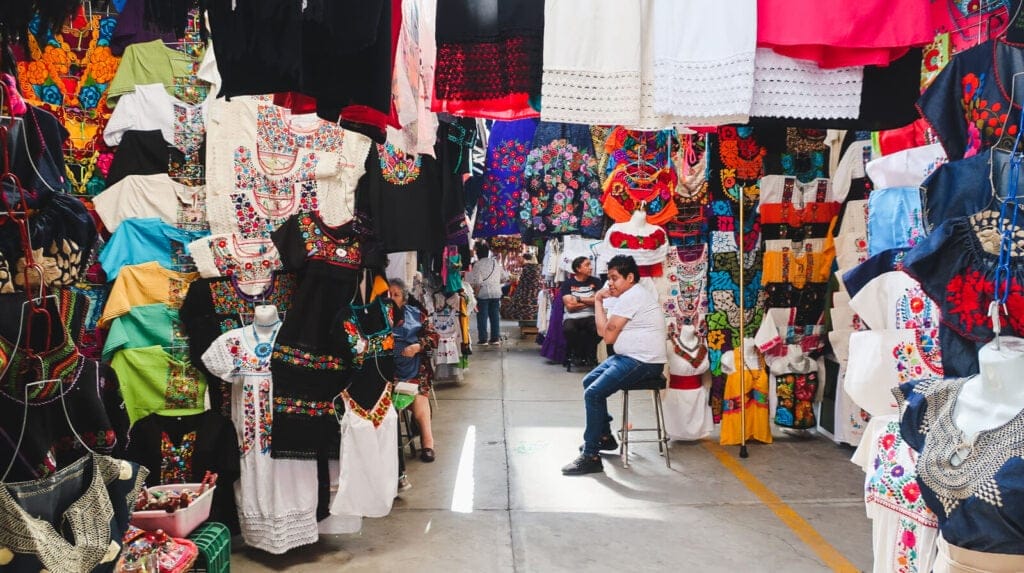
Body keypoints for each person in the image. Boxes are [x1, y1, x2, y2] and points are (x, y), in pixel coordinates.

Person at [562, 255, 667, 475]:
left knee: (593, 393)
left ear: (630, 278)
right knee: (589, 381)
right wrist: (600, 301)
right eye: (609, 278)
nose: (610, 283)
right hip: (628, 356)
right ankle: (604, 436)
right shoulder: (624, 295)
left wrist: (598, 302)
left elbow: (606, 336)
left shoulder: (633, 296)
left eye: (615, 278)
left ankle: (591, 456)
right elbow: (605, 330)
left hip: (643, 361)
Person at [389, 278, 440, 463]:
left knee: (419, 401)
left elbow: (434, 336)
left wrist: (417, 346)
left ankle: (428, 443)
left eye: (396, 295)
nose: (391, 298)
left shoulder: (417, 315)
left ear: (404, 298)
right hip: (388, 373)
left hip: (415, 371)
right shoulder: (377, 317)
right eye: (388, 295)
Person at [561, 256, 603, 367]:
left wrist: (578, 299)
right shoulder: (568, 284)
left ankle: (589, 354)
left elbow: (599, 300)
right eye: (587, 265)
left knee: (600, 330)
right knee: (568, 329)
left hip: (591, 316)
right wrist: (591, 300)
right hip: (571, 317)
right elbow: (570, 306)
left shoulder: (596, 282)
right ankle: (578, 353)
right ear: (578, 268)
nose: (591, 267)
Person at [465, 241, 509, 345]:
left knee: (482, 317)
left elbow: (478, 283)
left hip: (483, 294)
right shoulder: (495, 263)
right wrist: (495, 282)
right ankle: (495, 339)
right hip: (496, 292)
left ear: (478, 254)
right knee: (495, 316)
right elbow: (504, 278)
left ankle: (483, 339)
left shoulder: (477, 265)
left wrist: (474, 296)